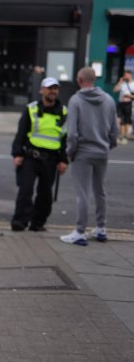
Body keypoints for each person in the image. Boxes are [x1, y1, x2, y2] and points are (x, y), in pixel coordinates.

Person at [61, 67, 119, 246]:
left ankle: (80, 231)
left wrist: (70, 151)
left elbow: (71, 133)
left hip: (83, 153)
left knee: (83, 193)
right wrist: (108, 145)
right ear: (94, 79)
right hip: (102, 152)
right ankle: (101, 228)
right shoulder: (109, 100)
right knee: (100, 191)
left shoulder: (75, 100)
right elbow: (114, 130)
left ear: (79, 80)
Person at [10, 77, 68, 232]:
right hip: (31, 157)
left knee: (45, 195)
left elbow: (65, 139)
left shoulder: (63, 112)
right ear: (42, 90)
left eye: (55, 88)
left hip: (51, 159)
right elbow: (21, 134)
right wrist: (17, 154)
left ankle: (37, 223)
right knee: (25, 190)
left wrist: (64, 160)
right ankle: (20, 221)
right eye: (50, 88)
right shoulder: (32, 109)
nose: (53, 91)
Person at [113, 69, 133, 144]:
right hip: (121, 103)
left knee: (127, 120)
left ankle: (125, 135)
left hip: (129, 103)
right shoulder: (123, 83)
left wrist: (129, 96)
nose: (125, 76)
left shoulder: (133, 84)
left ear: (130, 75)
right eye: (124, 75)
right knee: (119, 119)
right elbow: (115, 90)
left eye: (126, 74)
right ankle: (120, 135)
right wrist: (120, 82)